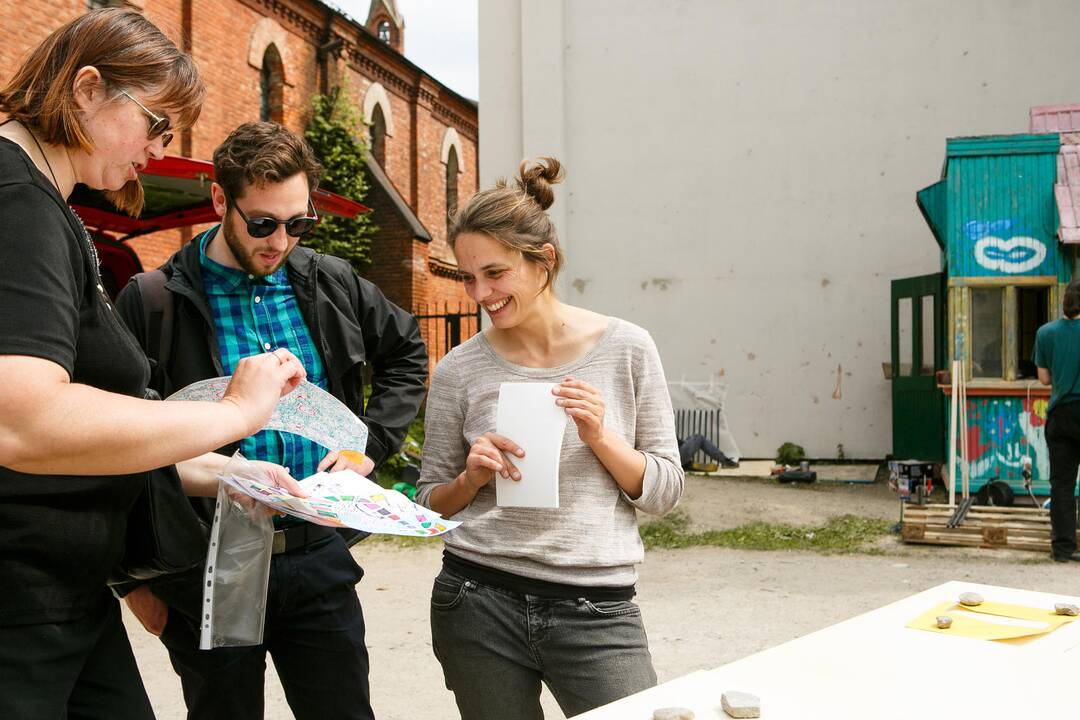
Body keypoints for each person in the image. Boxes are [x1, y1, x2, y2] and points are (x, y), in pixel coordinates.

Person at [0, 10, 307, 719]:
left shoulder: (40, 201)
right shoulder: (19, 202)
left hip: (59, 597)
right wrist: (229, 415)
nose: (162, 148)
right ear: (85, 90)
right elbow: (24, 420)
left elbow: (83, 439)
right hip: (22, 605)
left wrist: (223, 466)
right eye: (157, 123)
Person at [115, 121, 429, 720]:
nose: (280, 240)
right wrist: (130, 584)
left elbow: (407, 351)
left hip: (318, 553)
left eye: (298, 223)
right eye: (262, 223)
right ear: (218, 201)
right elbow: (117, 435)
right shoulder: (153, 300)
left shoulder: (330, 281)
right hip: (210, 562)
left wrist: (370, 446)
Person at [415, 157, 684, 719]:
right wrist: (470, 477)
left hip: (597, 608)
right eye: (467, 277)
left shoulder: (628, 348)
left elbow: (664, 492)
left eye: (495, 272)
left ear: (544, 261)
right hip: (476, 600)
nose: (478, 293)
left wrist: (602, 437)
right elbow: (428, 504)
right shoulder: (459, 370)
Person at [1034, 278, 1080, 562]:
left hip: (1061, 415)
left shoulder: (1045, 332)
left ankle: (1063, 549)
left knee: (1062, 484)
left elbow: (1043, 379)